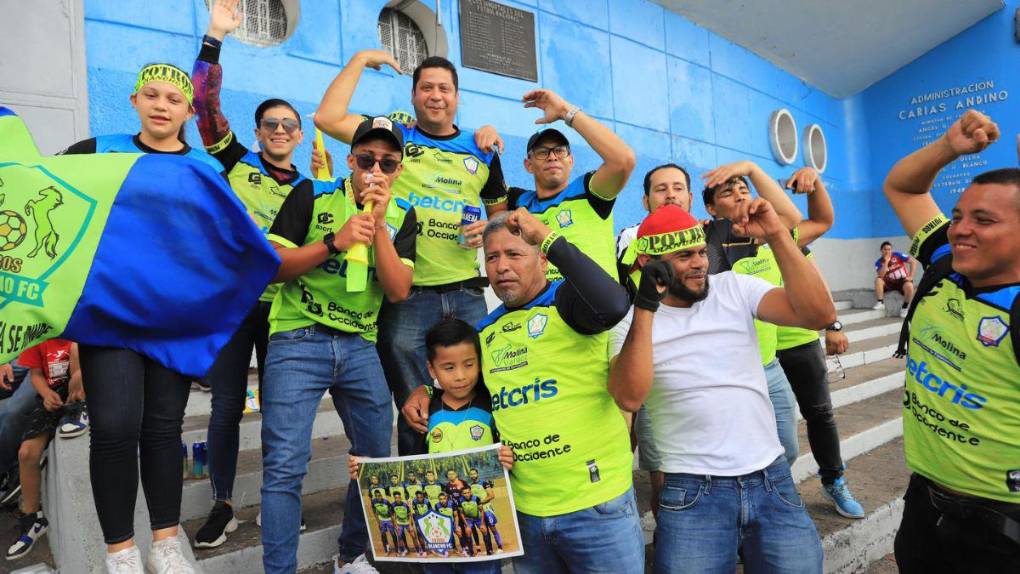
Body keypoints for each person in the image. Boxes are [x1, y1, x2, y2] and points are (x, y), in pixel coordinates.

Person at [404, 208, 641, 573]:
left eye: (514, 254)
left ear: (542, 260)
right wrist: (423, 388)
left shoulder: (570, 304)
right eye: (493, 257)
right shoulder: (484, 331)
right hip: (527, 514)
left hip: (596, 507)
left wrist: (546, 234)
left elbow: (613, 303)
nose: (501, 266)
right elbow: (461, 383)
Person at [608, 203, 832, 573]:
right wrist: (646, 307)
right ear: (650, 262)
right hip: (693, 493)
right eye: (684, 256)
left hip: (771, 479)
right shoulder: (631, 324)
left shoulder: (735, 288)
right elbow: (629, 396)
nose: (700, 263)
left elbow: (819, 314)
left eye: (701, 252)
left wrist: (777, 235)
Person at [62, 61, 222, 574]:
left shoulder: (206, 170)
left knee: (162, 429)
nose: (160, 105)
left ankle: (166, 544)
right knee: (112, 427)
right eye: (150, 95)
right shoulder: (94, 151)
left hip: (172, 321)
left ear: (188, 111)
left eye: (173, 99)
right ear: (134, 101)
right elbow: (49, 199)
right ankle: (121, 552)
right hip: (109, 316)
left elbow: (220, 247)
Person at [315, 52, 508, 457]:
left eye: (444, 88)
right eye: (426, 88)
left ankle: (488, 495)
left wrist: (488, 230)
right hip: (408, 296)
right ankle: (419, 506)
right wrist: (362, 59)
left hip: (468, 295)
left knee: (486, 396)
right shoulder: (396, 140)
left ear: (457, 96)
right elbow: (327, 118)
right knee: (414, 408)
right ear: (413, 95)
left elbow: (502, 220)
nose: (436, 96)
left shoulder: (482, 149)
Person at [259, 116, 417, 574]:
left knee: (373, 459)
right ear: (350, 161)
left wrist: (380, 224)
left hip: (359, 345)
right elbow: (273, 265)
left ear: (398, 170)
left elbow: (398, 289)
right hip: (297, 338)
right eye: (366, 159)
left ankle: (352, 554)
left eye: (387, 163)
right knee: (286, 464)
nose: (376, 170)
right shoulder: (311, 195)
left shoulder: (405, 215)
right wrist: (335, 241)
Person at [189, 0, 319, 548]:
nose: (282, 130)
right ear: (258, 130)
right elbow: (202, 102)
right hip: (233, 304)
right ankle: (222, 503)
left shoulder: (313, 187)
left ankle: (276, 497)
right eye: (273, 123)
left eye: (291, 124)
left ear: (299, 133)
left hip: (286, 309)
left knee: (281, 409)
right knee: (224, 408)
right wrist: (215, 36)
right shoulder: (233, 158)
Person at [882, 110, 1020, 573]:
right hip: (926, 510)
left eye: (984, 220)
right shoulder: (944, 263)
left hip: (1004, 534)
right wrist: (948, 146)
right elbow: (903, 188)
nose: (960, 228)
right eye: (959, 215)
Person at [700, 162, 804, 468]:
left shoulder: (758, 234)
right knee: (736, 454)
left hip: (768, 365)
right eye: (727, 191)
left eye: (743, 188)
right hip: (727, 369)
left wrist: (753, 169)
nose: (738, 195)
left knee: (788, 448)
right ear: (711, 207)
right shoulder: (704, 238)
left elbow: (792, 218)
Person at [775, 167, 863, 518]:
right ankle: (776, 491)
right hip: (758, 350)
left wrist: (833, 325)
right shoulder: (724, 244)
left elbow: (816, 280)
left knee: (820, 414)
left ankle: (834, 481)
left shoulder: (789, 239)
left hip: (800, 341)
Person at [508, 88, 636, 280]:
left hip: (594, 306)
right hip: (542, 307)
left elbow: (623, 160)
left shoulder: (589, 191)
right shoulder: (519, 202)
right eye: (542, 152)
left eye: (559, 151)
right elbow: (487, 181)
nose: (552, 157)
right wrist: (486, 132)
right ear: (528, 165)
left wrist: (565, 111)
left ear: (571, 160)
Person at [5, 340, 81, 561]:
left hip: (83, 391)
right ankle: (32, 518)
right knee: (26, 453)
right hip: (52, 397)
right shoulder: (40, 331)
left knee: (78, 350)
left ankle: (78, 410)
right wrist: (46, 393)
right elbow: (36, 374)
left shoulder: (79, 323)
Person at [873, 241, 916, 317]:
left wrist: (911, 276)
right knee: (878, 280)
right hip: (889, 282)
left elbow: (913, 262)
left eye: (889, 249)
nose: (887, 251)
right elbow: (881, 274)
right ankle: (880, 302)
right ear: (881, 251)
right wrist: (886, 261)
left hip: (901, 280)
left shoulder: (897, 255)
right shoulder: (879, 262)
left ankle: (904, 308)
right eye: (885, 249)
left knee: (910, 286)